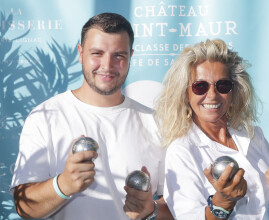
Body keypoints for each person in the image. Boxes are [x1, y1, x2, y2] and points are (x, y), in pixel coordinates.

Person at [10, 13, 173, 220]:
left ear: (131, 56)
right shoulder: (45, 116)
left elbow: (180, 208)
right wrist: (64, 185)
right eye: (97, 53)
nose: (107, 65)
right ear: (80, 53)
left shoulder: (155, 122)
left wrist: (151, 210)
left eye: (119, 56)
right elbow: (24, 207)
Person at [155, 39, 269, 219]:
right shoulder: (182, 151)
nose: (212, 95)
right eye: (200, 86)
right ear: (185, 93)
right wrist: (222, 203)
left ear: (234, 91)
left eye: (222, 85)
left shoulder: (254, 136)